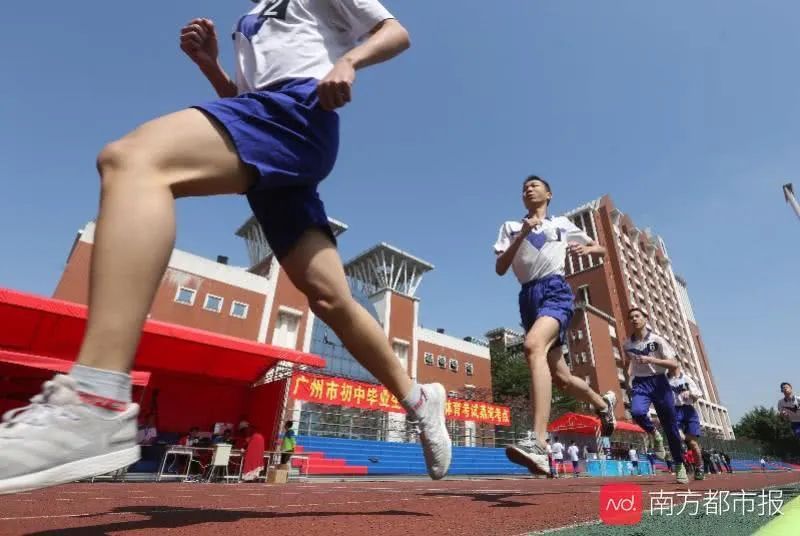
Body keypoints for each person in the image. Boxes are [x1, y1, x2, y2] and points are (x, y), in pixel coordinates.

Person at [0, 1, 453, 495]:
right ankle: (419, 399)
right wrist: (211, 66)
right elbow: (241, 101)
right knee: (330, 297)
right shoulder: (249, 22)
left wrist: (348, 61)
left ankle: (96, 398)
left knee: (133, 159)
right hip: (267, 129)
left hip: (297, 112)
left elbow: (395, 31)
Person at [496, 176, 617, 476]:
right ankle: (603, 404)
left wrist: (589, 251)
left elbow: (602, 250)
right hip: (528, 298)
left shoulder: (561, 224)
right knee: (562, 378)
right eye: (524, 187)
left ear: (549, 194)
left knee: (532, 346)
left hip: (555, 291)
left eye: (534, 185)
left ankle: (538, 442)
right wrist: (522, 235)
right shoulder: (510, 226)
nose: (528, 189)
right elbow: (500, 268)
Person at [623, 307, 688, 484]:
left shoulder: (657, 340)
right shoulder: (627, 344)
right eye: (631, 317)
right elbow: (629, 363)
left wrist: (651, 360)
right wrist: (628, 380)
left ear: (645, 318)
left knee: (671, 427)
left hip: (659, 383)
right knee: (637, 412)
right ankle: (655, 434)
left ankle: (679, 464)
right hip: (640, 384)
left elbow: (674, 364)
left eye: (637, 316)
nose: (634, 319)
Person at [668, 365, 705, 481]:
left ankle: (699, 467)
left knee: (693, 443)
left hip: (688, 411)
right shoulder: (664, 380)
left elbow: (697, 397)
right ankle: (681, 465)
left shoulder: (686, 378)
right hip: (674, 410)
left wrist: (690, 393)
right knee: (678, 437)